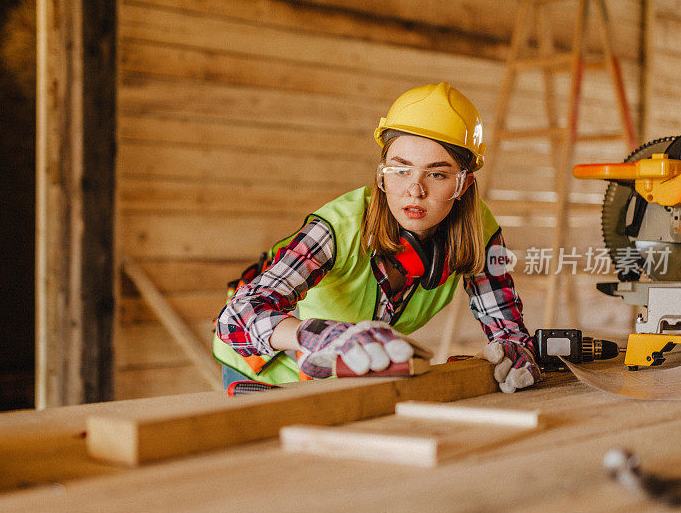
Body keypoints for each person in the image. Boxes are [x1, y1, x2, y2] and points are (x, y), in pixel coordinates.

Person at [213, 82, 541, 393]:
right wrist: (325, 337)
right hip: (264, 364)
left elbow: (507, 329)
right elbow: (238, 315)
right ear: (381, 174)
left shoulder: (478, 232)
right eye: (401, 170)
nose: (415, 189)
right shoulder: (339, 227)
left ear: (463, 185)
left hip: (348, 369)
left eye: (437, 174)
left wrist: (515, 353)